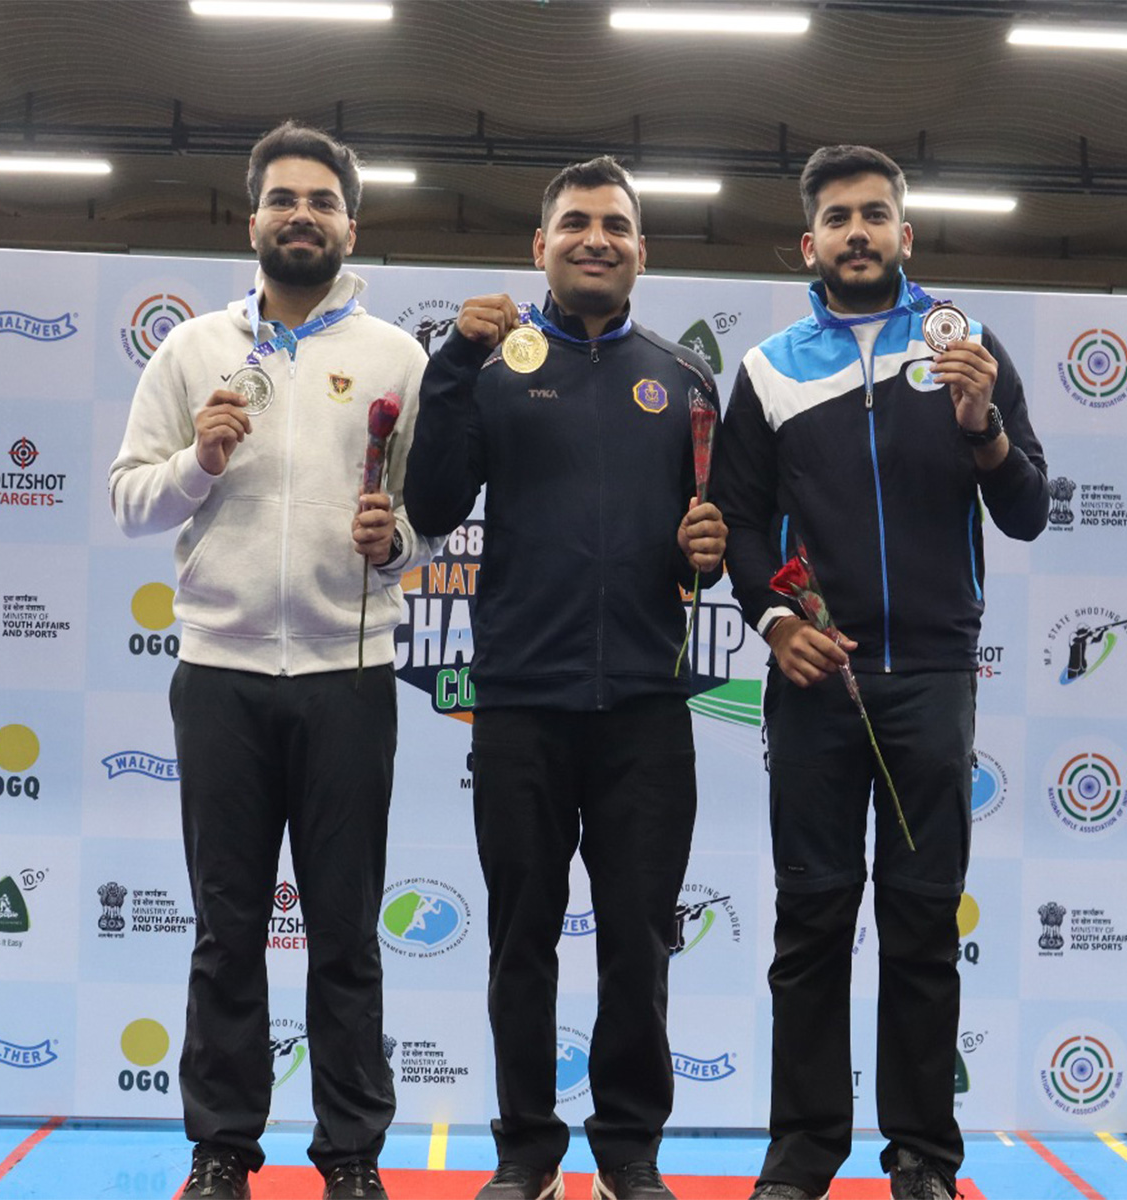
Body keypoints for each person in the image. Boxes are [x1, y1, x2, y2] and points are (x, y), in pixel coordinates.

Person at [709, 144, 1050, 1200]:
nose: (857, 232)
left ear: (906, 233)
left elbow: (1027, 507)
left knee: (918, 923)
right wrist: (771, 619)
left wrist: (980, 427)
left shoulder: (968, 349)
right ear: (806, 242)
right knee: (809, 926)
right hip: (814, 681)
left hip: (932, 681)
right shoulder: (767, 369)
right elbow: (735, 527)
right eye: (837, 219)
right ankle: (802, 1156)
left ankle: (921, 1157)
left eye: (875, 215)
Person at [109, 120, 437, 1200]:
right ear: (251, 220)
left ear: (352, 223)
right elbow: (126, 503)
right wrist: (198, 464)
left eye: (322, 200)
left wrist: (400, 546)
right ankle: (221, 1150)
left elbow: (426, 525)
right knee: (226, 930)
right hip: (221, 677)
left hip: (348, 675)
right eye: (283, 199)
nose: (303, 214)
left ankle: (349, 1157)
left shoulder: (398, 357)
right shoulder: (191, 350)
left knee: (345, 933)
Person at [403, 156, 727, 1200]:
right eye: (576, 223)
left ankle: (627, 1152)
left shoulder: (684, 380)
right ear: (538, 246)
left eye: (617, 226)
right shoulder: (491, 364)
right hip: (519, 705)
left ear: (643, 251)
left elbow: (700, 549)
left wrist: (706, 552)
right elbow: (437, 504)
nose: (597, 239)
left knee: (637, 944)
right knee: (520, 943)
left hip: (644, 710)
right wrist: (454, 360)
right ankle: (526, 1155)